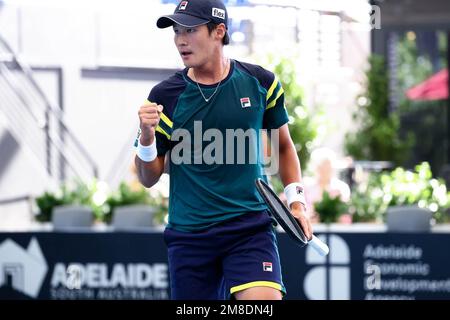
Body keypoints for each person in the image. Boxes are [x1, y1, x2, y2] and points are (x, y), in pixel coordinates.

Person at [134, 0, 312, 300]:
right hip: (190, 237)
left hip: (249, 229)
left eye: (190, 29)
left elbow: (282, 146)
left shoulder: (261, 83)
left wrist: (296, 203)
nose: (180, 39)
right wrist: (147, 136)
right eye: (177, 30)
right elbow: (147, 177)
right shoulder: (164, 96)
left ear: (219, 31)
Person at [304, 147, 351, 223]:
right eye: (322, 166)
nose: (326, 169)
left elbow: (345, 213)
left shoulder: (341, 187)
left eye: (328, 166)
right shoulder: (306, 186)